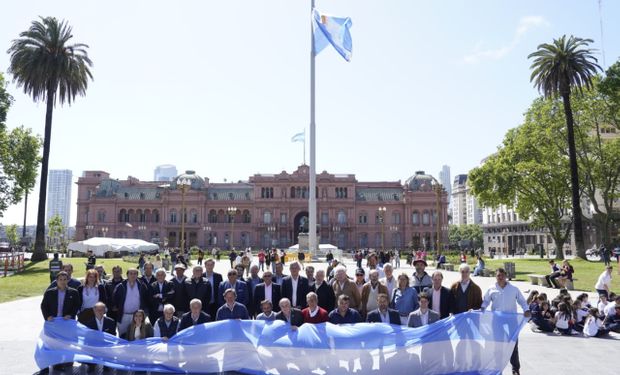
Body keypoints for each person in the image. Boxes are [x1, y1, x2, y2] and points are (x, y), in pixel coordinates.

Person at [481, 268, 531, 375]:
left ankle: (515, 369)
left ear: (505, 276)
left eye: (502, 275)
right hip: (497, 321)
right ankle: (497, 367)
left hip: (511, 321)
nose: (500, 277)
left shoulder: (514, 289)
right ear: (496, 276)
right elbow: (485, 302)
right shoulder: (491, 289)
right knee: (497, 345)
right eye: (498, 275)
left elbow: (522, 301)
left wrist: (526, 309)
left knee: (513, 345)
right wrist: (481, 309)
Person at [113, 268, 149, 337]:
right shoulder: (121, 286)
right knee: (123, 336)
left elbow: (146, 299)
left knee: (136, 336)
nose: (133, 275)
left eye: (135, 273)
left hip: (137, 316)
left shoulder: (142, 285)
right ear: (127, 275)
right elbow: (115, 299)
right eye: (131, 273)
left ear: (137, 275)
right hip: (124, 315)